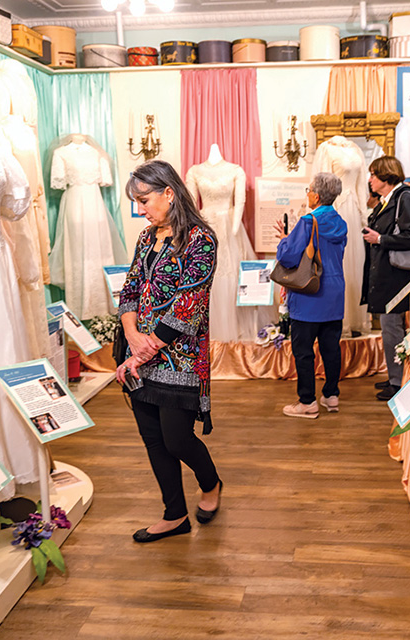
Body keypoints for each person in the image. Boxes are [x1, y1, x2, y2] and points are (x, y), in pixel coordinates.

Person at [116, 160, 222, 543]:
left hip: (180, 358)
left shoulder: (201, 240)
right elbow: (129, 290)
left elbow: (188, 305)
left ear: (168, 193)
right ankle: (174, 514)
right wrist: (131, 336)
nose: (140, 209)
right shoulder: (147, 238)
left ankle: (210, 484)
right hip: (139, 353)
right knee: (154, 440)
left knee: (177, 439)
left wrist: (141, 352)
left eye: (144, 200)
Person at [273, 173, 347, 419]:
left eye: (308, 190)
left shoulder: (308, 221)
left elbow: (288, 257)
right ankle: (331, 395)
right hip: (335, 292)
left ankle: (307, 402)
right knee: (331, 347)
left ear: (315, 195)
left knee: (303, 350)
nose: (307, 194)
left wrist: (284, 241)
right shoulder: (341, 222)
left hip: (309, 293)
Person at [361, 156, 410, 401]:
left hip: (398, 277)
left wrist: (380, 239)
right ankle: (395, 377)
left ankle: (399, 383)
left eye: (373, 175)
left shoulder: (405, 198)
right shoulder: (387, 200)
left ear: (385, 176)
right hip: (389, 275)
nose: (370, 180)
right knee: (390, 328)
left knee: (392, 327)